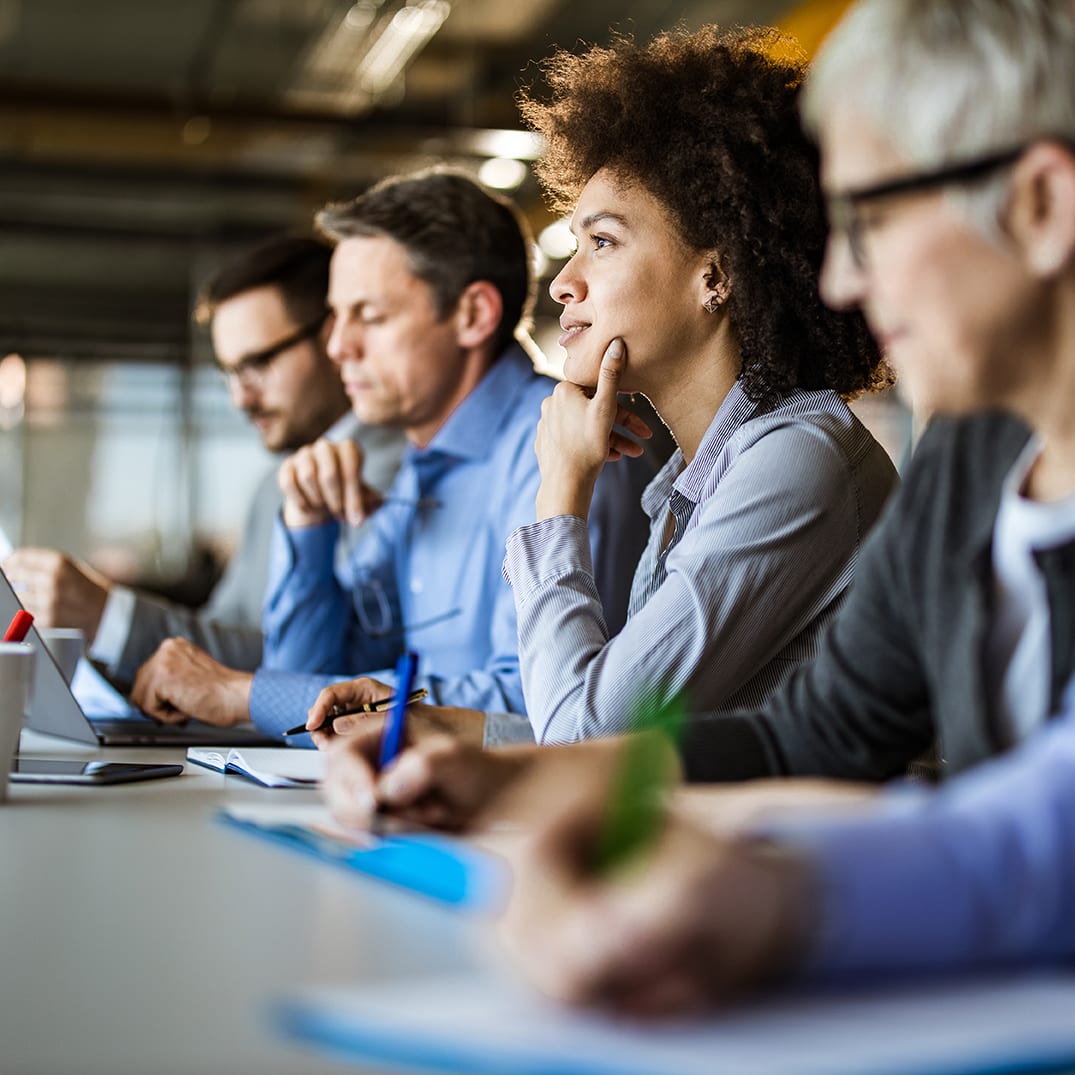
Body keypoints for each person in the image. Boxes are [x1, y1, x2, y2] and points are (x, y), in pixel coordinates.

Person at [365, 0, 1075, 1010]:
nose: (841, 275)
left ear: (1042, 206)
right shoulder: (973, 455)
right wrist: (515, 780)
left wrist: (779, 895)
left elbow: (1045, 827)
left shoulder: (809, 457)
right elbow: (810, 734)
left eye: (869, 219)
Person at [309, 26, 897, 751]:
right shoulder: (694, 478)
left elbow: (591, 737)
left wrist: (560, 491)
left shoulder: (797, 460)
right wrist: (435, 719)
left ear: (715, 275)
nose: (563, 281)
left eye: (603, 242)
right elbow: (611, 713)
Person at [128, 169, 654, 737]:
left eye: (369, 317)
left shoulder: (563, 446)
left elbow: (536, 705)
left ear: (473, 315)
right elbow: (315, 679)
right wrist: (310, 532)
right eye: (336, 318)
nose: (337, 348)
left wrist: (241, 695)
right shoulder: (417, 465)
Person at [3, 236, 405, 682]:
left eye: (258, 363)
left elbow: (323, 670)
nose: (240, 398)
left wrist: (111, 617)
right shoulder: (271, 488)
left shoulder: (400, 476)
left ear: (334, 340)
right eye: (230, 373)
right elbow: (224, 640)